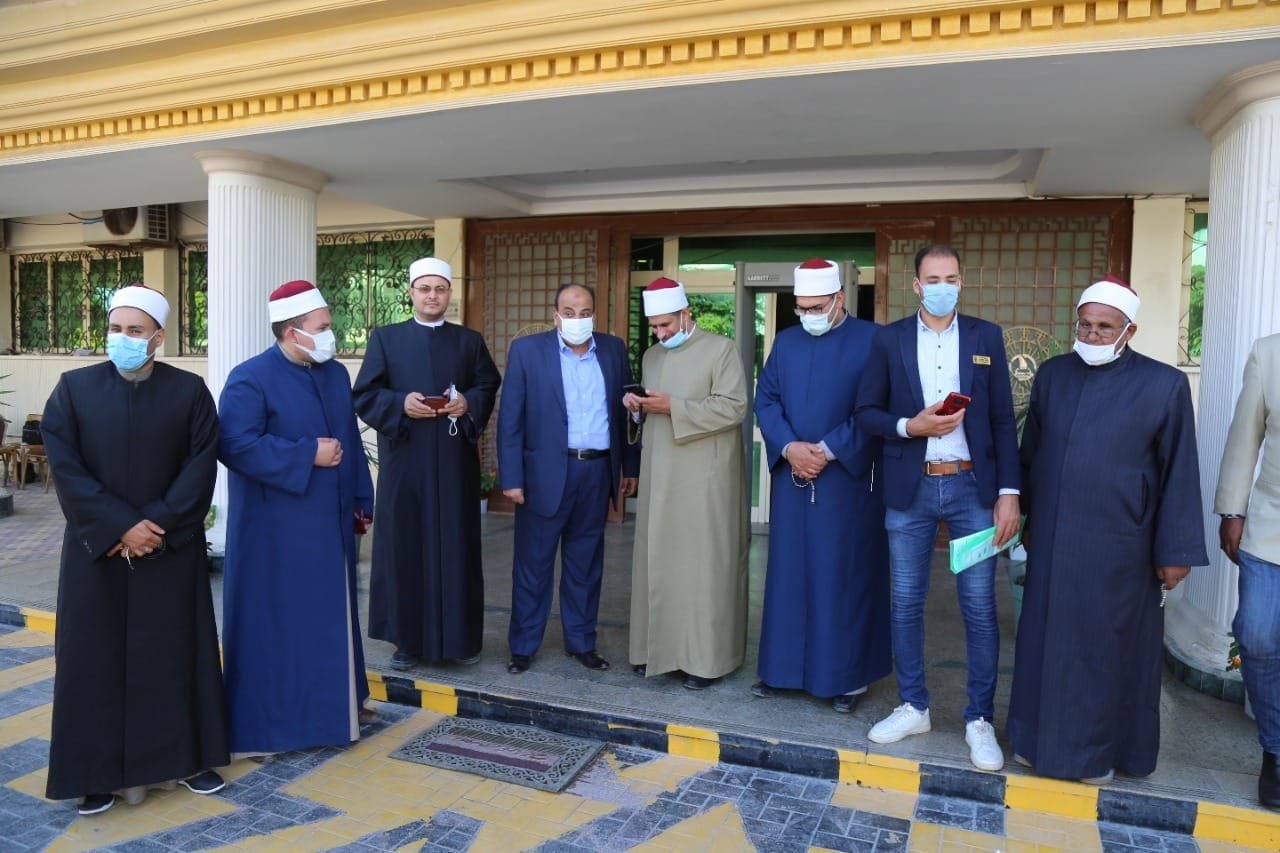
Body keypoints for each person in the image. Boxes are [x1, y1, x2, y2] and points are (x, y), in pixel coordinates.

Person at [1008, 277, 1206, 784]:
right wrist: (1025, 517)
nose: (1092, 335)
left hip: (1122, 545)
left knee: (1104, 651)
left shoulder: (1164, 385)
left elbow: (1179, 470)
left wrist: (1175, 551)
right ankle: (1033, 741)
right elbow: (1032, 455)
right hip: (1054, 539)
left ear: (1129, 331)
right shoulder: (1053, 375)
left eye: (1104, 328)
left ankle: (1097, 756)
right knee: (1044, 644)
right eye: (1085, 325)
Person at [41, 284, 228, 815]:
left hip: (167, 551)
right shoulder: (73, 390)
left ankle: (187, 759)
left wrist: (157, 525)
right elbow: (66, 468)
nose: (122, 338)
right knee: (93, 660)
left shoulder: (189, 391)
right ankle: (95, 774)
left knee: (175, 655)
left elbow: (200, 466)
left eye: (135, 330)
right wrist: (122, 527)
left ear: (158, 337)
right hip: (97, 552)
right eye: (116, 328)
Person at [854, 244, 1019, 772]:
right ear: (916, 285)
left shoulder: (986, 337)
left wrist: (1010, 493)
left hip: (974, 489)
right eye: (933, 278)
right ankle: (914, 706)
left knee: (979, 606)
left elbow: (1002, 419)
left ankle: (979, 718)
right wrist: (911, 426)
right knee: (905, 602)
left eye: (951, 278)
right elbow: (866, 413)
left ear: (961, 281)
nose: (942, 286)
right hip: (912, 489)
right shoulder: (889, 339)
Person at [218, 280, 377, 757]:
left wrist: (361, 497)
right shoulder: (249, 378)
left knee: (331, 620)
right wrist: (307, 453)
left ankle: (338, 711)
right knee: (279, 624)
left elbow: (349, 438)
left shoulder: (334, 374)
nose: (331, 334)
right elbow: (235, 445)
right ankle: (274, 725)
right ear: (292, 332)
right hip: (275, 530)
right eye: (322, 327)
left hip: (330, 522)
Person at [752, 259, 890, 713]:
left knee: (842, 576)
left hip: (847, 483)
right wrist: (791, 447)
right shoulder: (787, 342)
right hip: (793, 478)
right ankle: (781, 671)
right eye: (802, 307)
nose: (808, 315)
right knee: (788, 574)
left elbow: (874, 408)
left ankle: (846, 679)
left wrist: (828, 450)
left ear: (839, 299)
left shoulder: (872, 340)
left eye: (816, 307)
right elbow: (766, 400)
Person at [354, 257, 501, 670]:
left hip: (454, 465)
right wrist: (400, 403)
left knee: (457, 547)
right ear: (411, 293)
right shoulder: (386, 339)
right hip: (406, 463)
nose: (432, 296)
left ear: (449, 293)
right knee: (405, 547)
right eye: (424, 289)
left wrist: (467, 402)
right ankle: (407, 641)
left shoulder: (469, 341)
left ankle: (460, 640)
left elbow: (488, 383)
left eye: (440, 289)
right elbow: (364, 393)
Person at [497, 283, 640, 674]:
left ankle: (581, 642)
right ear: (556, 315)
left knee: (585, 565)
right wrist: (512, 477)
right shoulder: (527, 351)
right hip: (543, 474)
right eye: (570, 312)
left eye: (585, 312)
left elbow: (628, 413)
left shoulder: (612, 350)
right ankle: (523, 646)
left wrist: (630, 467)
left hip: (596, 471)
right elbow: (510, 418)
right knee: (533, 566)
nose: (578, 319)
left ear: (594, 314)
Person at [624, 277, 749, 690]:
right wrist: (637, 407)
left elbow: (734, 408)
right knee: (657, 561)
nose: (661, 334)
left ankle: (703, 659)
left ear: (685, 313)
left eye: (666, 324)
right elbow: (650, 413)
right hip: (660, 474)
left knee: (702, 568)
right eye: (655, 327)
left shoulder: (721, 349)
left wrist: (672, 406)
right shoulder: (651, 355)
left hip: (705, 479)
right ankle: (654, 651)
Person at [1213, 333, 1280, 808]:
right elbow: (1245, 438)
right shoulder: (1269, 353)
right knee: (1256, 635)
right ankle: (1276, 750)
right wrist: (1232, 510)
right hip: (1270, 527)